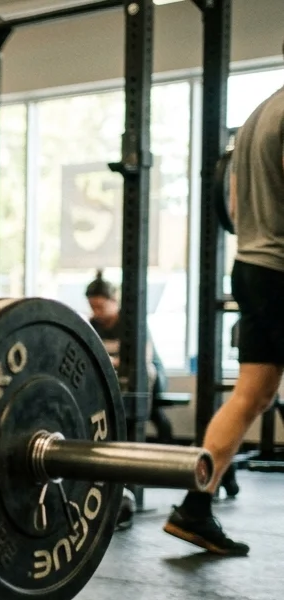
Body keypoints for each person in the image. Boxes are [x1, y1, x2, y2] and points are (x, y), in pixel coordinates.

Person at [166, 66, 284, 557]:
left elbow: (231, 203)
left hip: (252, 263)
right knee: (250, 395)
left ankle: (195, 507)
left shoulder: (262, 112)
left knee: (251, 395)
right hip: (281, 266)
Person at [85, 271, 173, 442]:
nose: (96, 312)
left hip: (150, 381)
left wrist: (112, 362)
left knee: (144, 374)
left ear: (113, 302)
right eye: (92, 307)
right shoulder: (94, 324)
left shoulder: (131, 321)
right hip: (117, 377)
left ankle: (140, 418)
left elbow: (143, 359)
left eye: (100, 307)